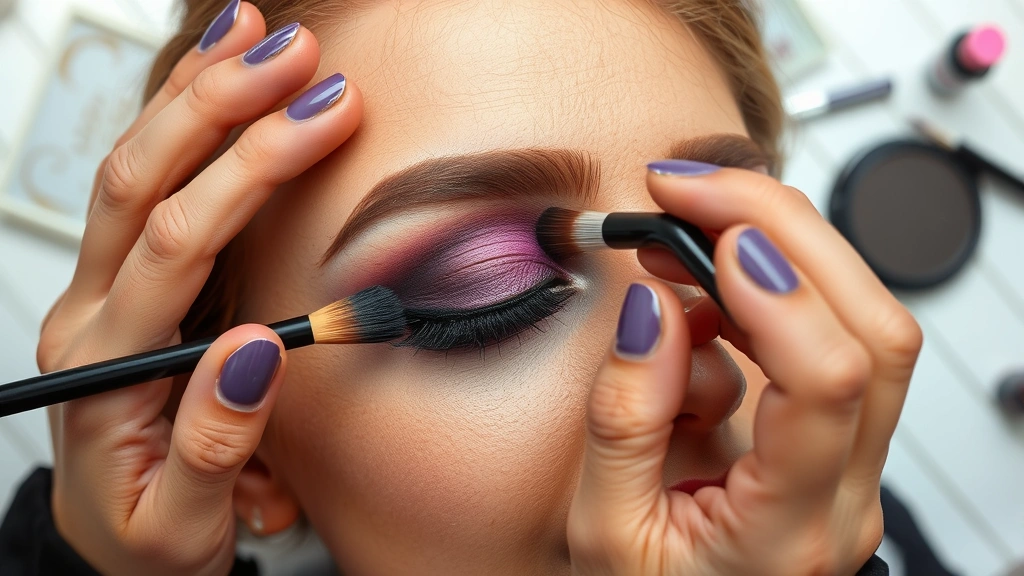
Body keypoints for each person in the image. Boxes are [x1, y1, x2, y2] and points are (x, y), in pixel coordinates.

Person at [0, 0, 921, 574]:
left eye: (723, 246)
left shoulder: (861, 530)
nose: (704, 371)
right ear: (253, 463)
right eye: (489, 286)